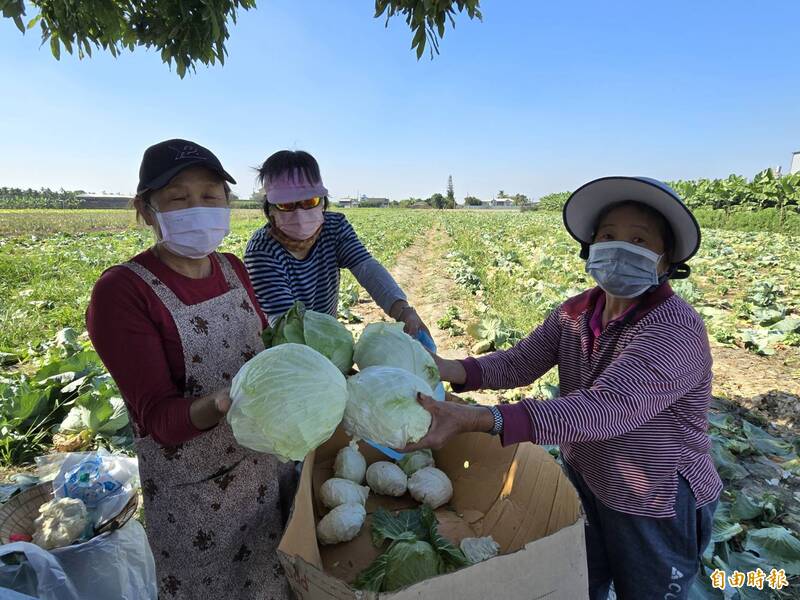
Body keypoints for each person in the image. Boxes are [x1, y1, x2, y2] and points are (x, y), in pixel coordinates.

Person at [404, 177, 723, 600]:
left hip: (654, 497)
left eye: (640, 240)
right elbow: (520, 362)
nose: (620, 248)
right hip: (588, 477)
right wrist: (447, 368)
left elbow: (604, 409)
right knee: (579, 581)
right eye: (609, 236)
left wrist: (481, 419)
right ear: (591, 246)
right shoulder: (577, 311)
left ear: (666, 262)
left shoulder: (674, 328)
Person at [86, 139, 290, 600]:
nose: (197, 207)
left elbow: (265, 354)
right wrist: (227, 401)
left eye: (211, 195)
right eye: (178, 197)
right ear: (145, 209)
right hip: (197, 504)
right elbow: (159, 420)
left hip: (265, 475)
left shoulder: (234, 268)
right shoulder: (123, 292)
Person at [244, 150, 429, 335]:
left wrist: (403, 311)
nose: (300, 213)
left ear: (322, 202)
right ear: (270, 209)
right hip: (289, 349)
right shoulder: (262, 250)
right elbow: (286, 324)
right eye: (286, 204)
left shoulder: (334, 227)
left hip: (327, 335)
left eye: (309, 201)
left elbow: (366, 268)